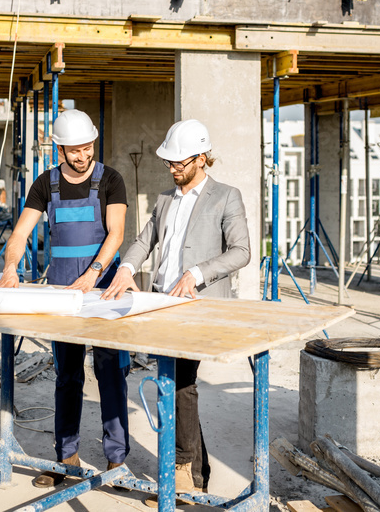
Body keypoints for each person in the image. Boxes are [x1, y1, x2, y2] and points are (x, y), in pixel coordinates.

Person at [101, 119, 251, 502]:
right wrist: (126, 267)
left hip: (198, 308)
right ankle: (198, 474)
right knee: (175, 383)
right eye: (169, 162)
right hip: (161, 304)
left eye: (179, 162)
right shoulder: (166, 199)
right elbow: (143, 239)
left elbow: (241, 251)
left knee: (180, 384)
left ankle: (182, 472)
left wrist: (197, 273)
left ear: (202, 158)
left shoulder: (226, 196)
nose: (172, 168)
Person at [0, 109, 130, 486]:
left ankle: (117, 461)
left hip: (103, 290)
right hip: (62, 291)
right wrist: (10, 267)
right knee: (67, 376)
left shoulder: (111, 180)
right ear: (60, 149)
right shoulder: (46, 184)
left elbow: (116, 234)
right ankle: (65, 458)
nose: (82, 156)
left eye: (87, 148)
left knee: (110, 373)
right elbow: (21, 234)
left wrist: (93, 274)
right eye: (74, 150)